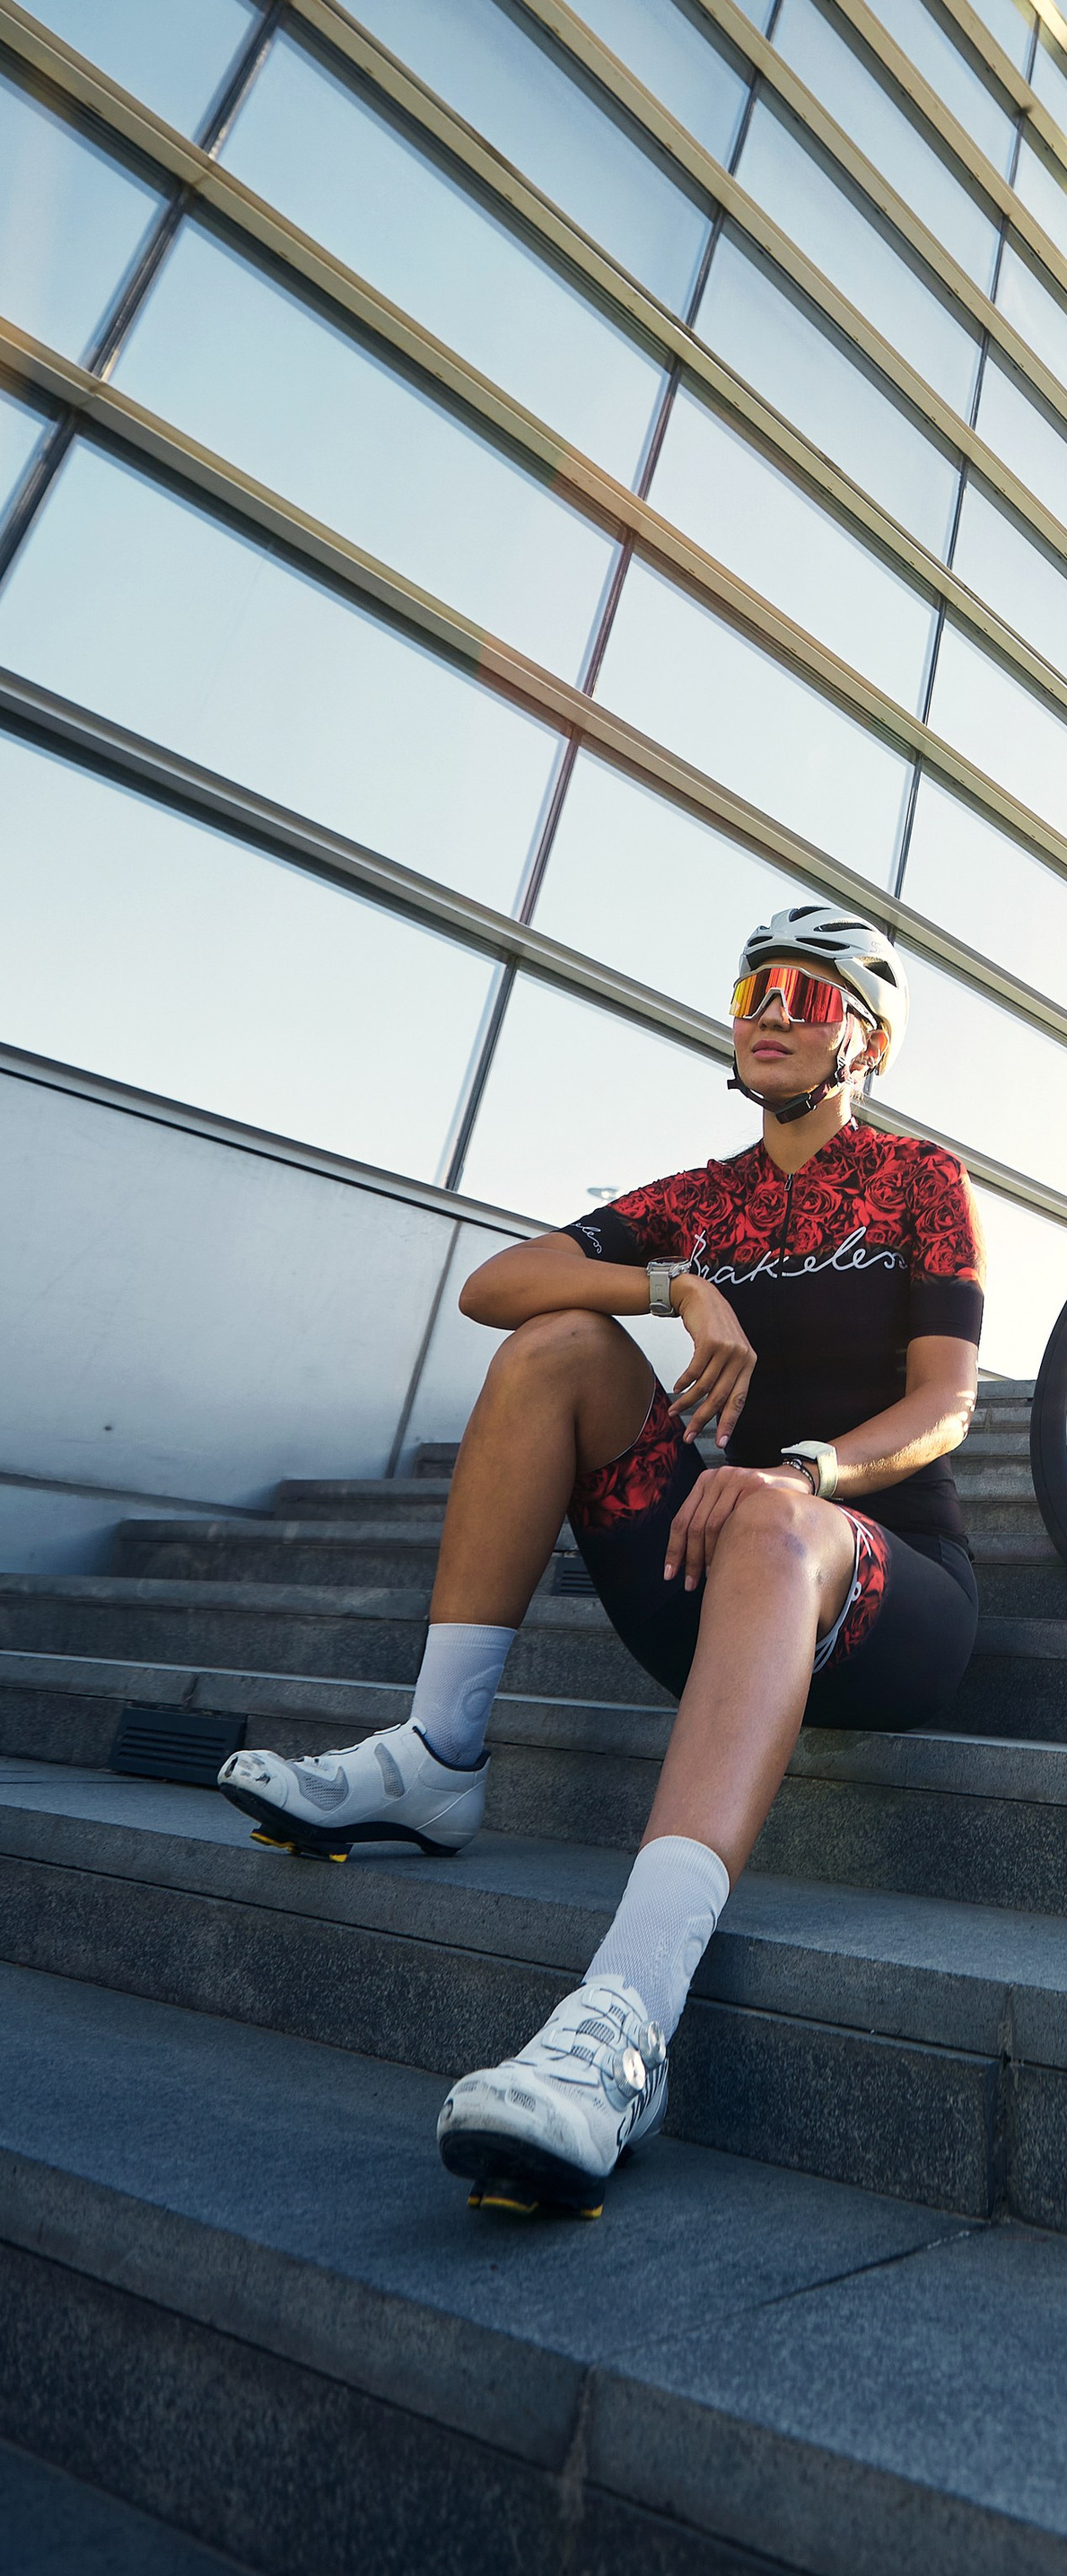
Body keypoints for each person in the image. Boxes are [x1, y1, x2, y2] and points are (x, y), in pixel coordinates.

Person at [218, 900, 984, 2212]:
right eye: (752, 995)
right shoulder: (701, 1200)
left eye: (803, 996)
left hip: (877, 1578)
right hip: (703, 1573)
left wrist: (805, 1470)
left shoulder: (920, 1184)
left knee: (766, 1510)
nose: (768, 1017)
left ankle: (624, 2024)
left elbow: (946, 1404)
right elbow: (495, 1285)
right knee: (554, 1349)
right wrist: (667, 1286)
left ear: (867, 1035)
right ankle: (439, 1753)